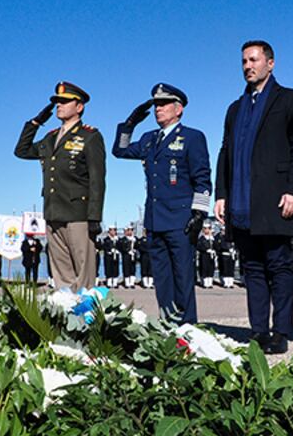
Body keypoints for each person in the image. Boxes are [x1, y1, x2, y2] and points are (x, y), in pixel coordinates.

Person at [213, 41, 293, 353]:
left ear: (271, 63)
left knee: (279, 266)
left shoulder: (290, 100)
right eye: (244, 61)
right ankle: (258, 332)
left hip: (275, 198)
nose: (247, 66)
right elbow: (225, 151)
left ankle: (281, 333)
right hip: (242, 202)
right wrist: (221, 194)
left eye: (253, 60)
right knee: (252, 269)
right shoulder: (235, 108)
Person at [113, 84, 212, 321]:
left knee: (183, 278)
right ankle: (167, 325)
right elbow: (120, 151)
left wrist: (199, 214)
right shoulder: (149, 139)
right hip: (155, 220)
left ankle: (187, 329)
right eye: (156, 104)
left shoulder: (192, 137)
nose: (158, 109)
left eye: (164, 104)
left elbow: (203, 178)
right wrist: (130, 124)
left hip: (180, 221)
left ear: (179, 109)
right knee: (162, 279)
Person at [15, 81, 106, 290]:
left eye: (65, 101)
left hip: (78, 214)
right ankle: (66, 316)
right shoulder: (50, 138)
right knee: (61, 274)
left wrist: (94, 216)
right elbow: (22, 150)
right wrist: (36, 122)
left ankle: (86, 318)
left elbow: (97, 180)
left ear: (79, 106)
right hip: (54, 212)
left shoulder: (90, 136)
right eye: (57, 101)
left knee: (83, 274)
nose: (59, 105)